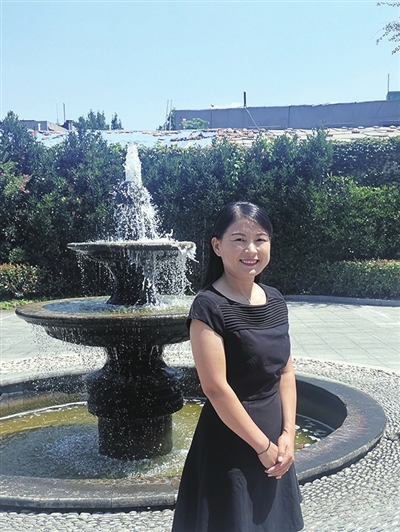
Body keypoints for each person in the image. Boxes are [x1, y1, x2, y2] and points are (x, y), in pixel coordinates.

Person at [171, 201, 304, 532]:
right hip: (231, 444)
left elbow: (285, 372)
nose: (251, 250)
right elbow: (215, 388)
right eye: (239, 239)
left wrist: (288, 435)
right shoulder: (208, 307)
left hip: (276, 442)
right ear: (217, 246)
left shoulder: (275, 300)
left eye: (260, 239)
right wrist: (263, 447)